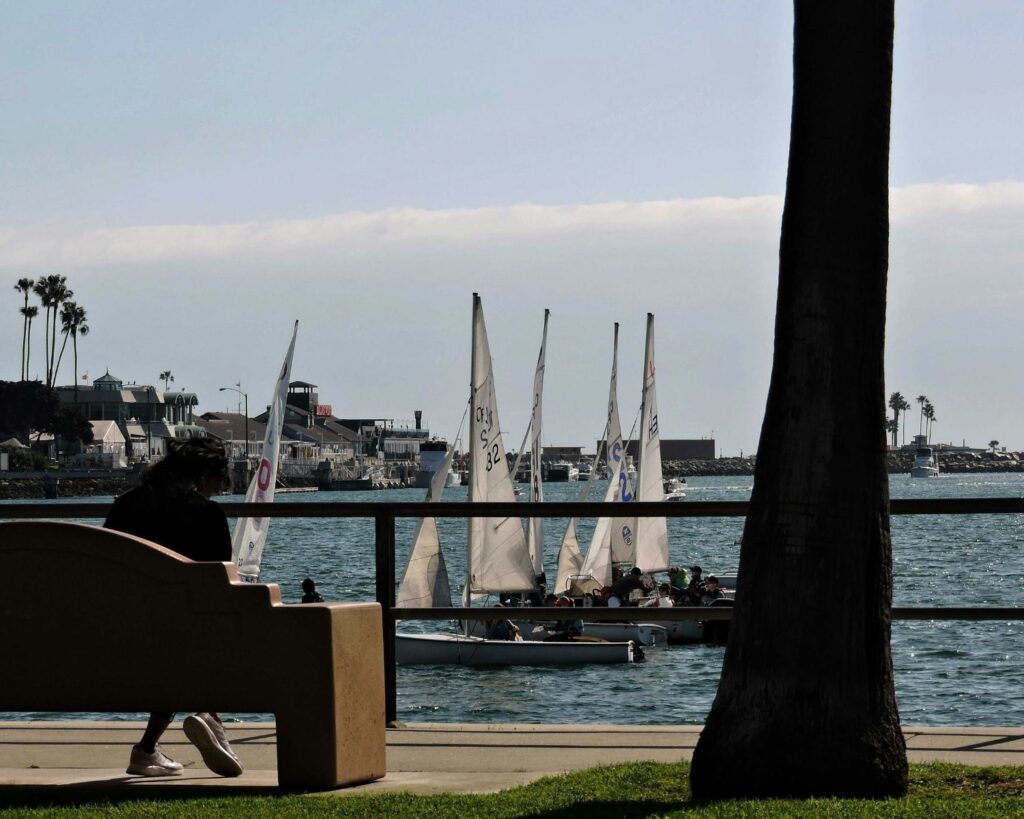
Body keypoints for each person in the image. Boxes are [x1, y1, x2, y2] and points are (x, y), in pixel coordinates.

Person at [104, 438, 243, 779]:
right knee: (217, 622)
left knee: (170, 632)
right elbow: (219, 584)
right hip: (181, 637)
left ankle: (148, 750)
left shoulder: (125, 506)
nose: (217, 492)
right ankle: (210, 715)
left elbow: (106, 571)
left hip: (118, 632)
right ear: (206, 475)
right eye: (218, 483)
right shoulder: (206, 514)